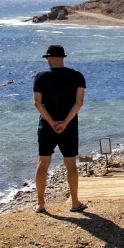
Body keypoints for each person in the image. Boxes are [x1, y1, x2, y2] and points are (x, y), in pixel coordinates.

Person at [32, 45, 87, 214]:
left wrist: (52, 122)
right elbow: (79, 103)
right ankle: (75, 203)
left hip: (47, 127)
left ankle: (41, 204)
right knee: (70, 164)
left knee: (43, 163)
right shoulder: (77, 76)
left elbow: (37, 103)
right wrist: (65, 123)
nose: (48, 60)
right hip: (69, 128)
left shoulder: (41, 77)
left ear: (54, 58)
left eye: (49, 57)